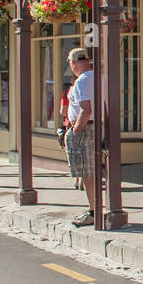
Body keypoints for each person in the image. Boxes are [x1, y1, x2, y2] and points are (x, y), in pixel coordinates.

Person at [65, 48, 97, 227]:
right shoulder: (98, 77)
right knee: (90, 170)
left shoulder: (82, 81)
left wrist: (74, 131)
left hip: (84, 127)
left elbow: (86, 109)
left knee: (86, 172)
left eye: (70, 62)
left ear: (74, 63)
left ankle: (93, 210)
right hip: (94, 126)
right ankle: (94, 207)